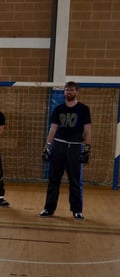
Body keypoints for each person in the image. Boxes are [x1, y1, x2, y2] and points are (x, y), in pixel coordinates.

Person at [40, 81, 92, 220]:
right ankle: (48, 209)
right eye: (67, 90)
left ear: (77, 92)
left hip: (75, 147)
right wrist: (47, 147)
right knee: (54, 179)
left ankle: (77, 210)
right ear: (64, 92)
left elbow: (88, 130)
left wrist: (87, 149)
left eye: (72, 90)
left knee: (75, 181)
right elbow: (53, 129)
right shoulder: (58, 109)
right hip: (59, 146)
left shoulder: (83, 109)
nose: (69, 92)